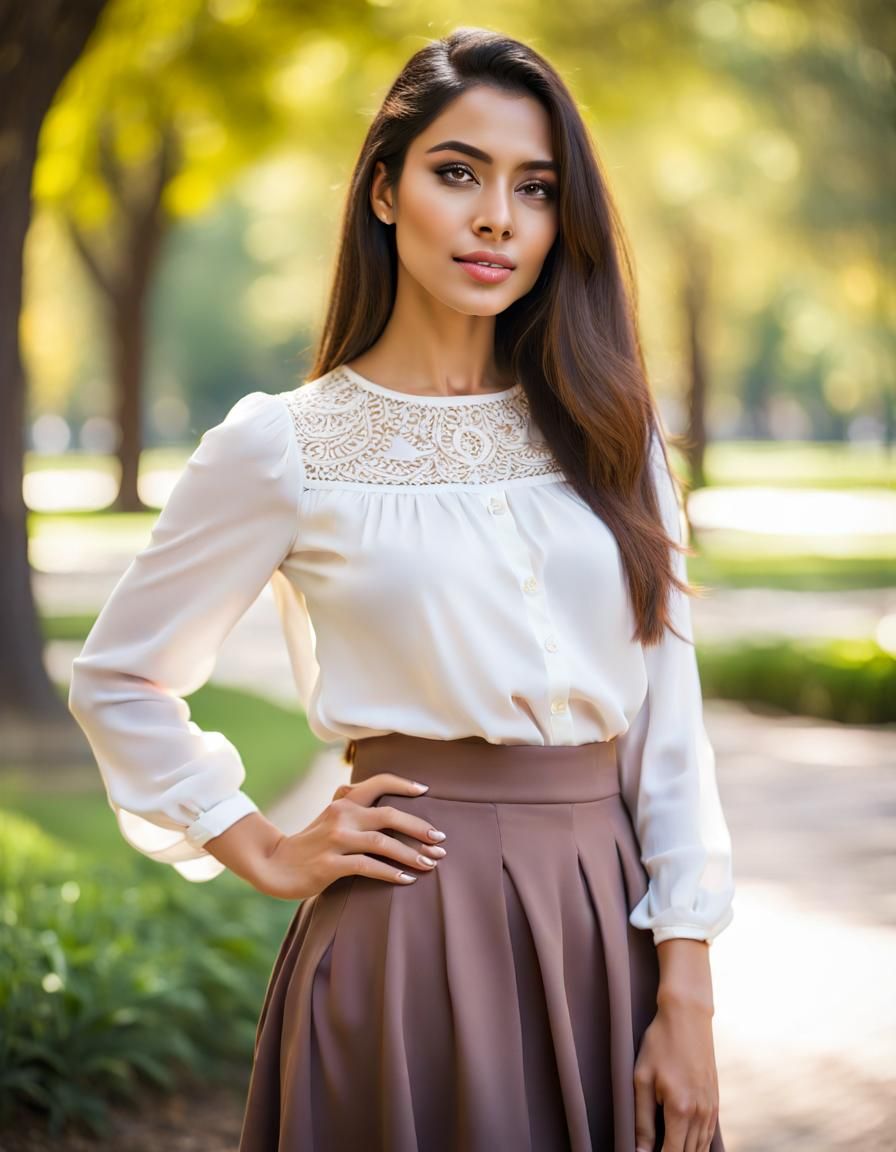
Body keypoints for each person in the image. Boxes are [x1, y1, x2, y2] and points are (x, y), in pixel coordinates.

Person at [67, 26, 736, 1152]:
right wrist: (261, 845)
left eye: (534, 188)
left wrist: (687, 989)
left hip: (603, 928)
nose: (496, 219)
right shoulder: (283, 445)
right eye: (456, 172)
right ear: (383, 190)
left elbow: (669, 734)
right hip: (405, 935)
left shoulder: (610, 434)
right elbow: (119, 678)